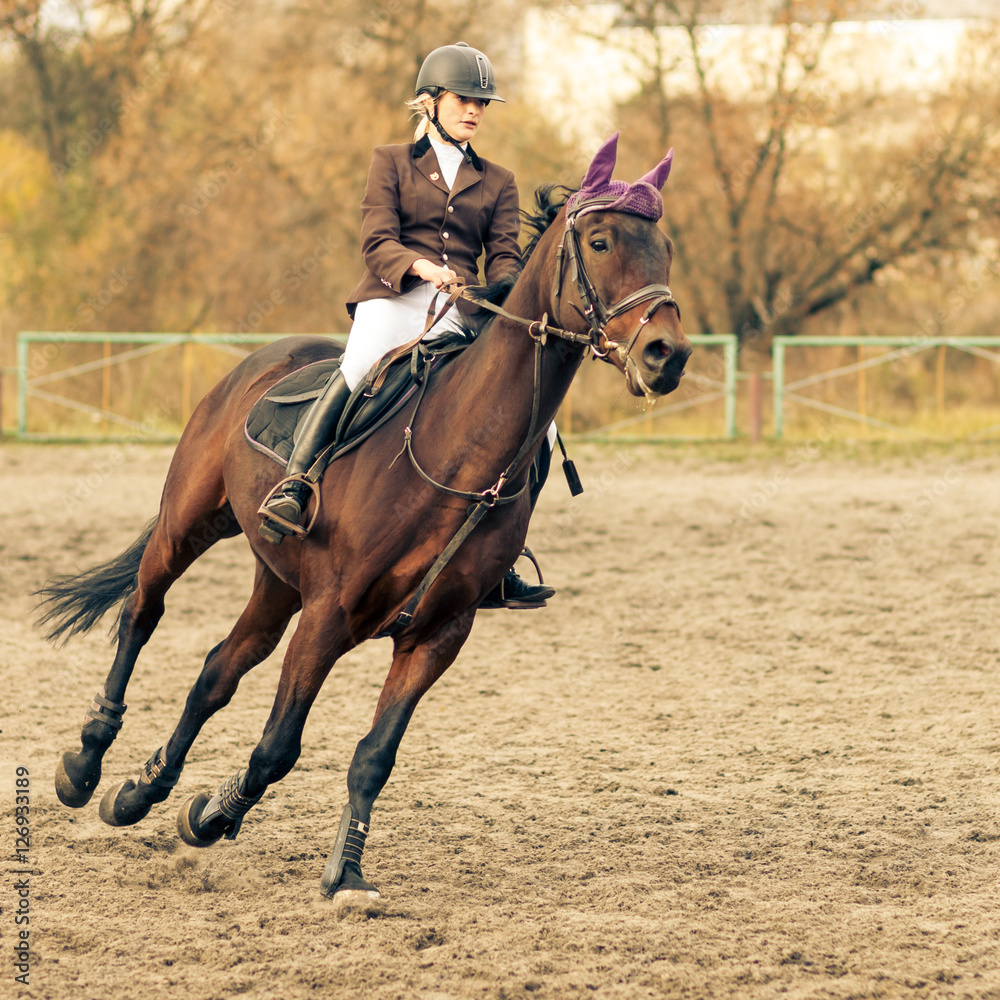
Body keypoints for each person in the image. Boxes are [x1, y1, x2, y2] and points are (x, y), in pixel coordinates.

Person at [258, 42, 554, 608]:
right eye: (465, 100)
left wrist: (499, 294)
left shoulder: (498, 180)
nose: (475, 111)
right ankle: (296, 485)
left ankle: (503, 555)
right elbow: (376, 241)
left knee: (542, 423)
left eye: (482, 104)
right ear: (432, 102)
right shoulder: (391, 161)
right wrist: (421, 268)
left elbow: (507, 255)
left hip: (463, 311)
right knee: (358, 364)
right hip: (395, 297)